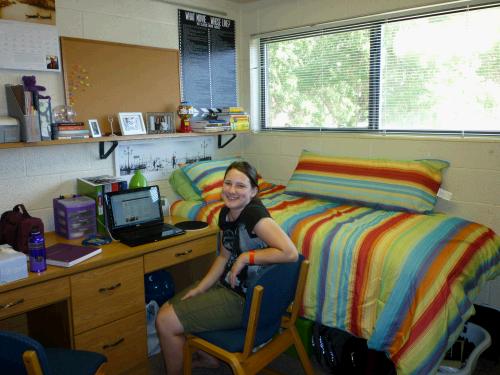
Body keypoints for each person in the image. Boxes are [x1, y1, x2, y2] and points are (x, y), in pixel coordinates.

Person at [155, 161, 298, 375]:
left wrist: (245, 258)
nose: (231, 190)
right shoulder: (226, 213)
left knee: (165, 322)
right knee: (171, 307)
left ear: (253, 192)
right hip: (230, 286)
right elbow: (223, 257)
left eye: (240, 186)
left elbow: (291, 253)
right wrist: (201, 288)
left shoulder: (255, 216)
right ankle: (209, 358)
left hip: (245, 299)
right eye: (228, 183)